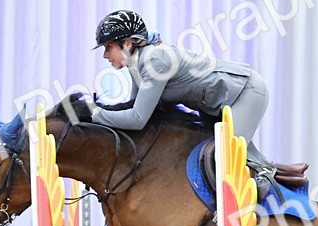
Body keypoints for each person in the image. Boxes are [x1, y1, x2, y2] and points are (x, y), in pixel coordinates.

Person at [89, 10, 304, 175]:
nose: (105, 55)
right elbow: (135, 108)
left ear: (127, 43)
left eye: (108, 48)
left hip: (245, 93)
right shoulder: (136, 64)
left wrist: (94, 115)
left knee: (225, 161)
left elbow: (137, 119)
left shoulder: (155, 60)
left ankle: (263, 217)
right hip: (217, 106)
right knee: (228, 158)